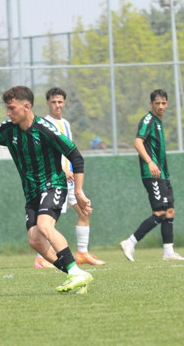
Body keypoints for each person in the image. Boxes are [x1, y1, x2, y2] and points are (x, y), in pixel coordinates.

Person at [0, 85, 94, 294]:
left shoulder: (45, 129)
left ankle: (75, 272)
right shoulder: (9, 130)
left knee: (44, 225)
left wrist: (78, 192)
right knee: (35, 240)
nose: (8, 113)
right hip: (32, 193)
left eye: (12, 108)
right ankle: (76, 274)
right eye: (7, 109)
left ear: (26, 107)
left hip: (53, 184)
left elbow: (76, 156)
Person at [34, 87, 105, 269]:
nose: (57, 105)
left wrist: (71, 170)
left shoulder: (65, 123)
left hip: (71, 180)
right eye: (53, 102)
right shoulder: (44, 124)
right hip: (56, 178)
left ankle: (82, 253)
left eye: (60, 102)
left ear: (64, 103)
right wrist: (61, 169)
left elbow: (68, 151)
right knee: (48, 220)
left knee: (85, 211)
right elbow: (44, 153)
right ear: (48, 103)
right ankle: (41, 258)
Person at [119, 89, 184, 262]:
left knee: (169, 211)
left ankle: (168, 252)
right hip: (152, 174)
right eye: (157, 103)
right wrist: (150, 162)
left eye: (163, 103)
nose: (161, 106)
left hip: (163, 174)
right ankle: (130, 242)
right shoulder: (148, 120)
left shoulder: (158, 122)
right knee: (159, 212)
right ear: (151, 104)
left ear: (167, 103)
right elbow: (138, 142)